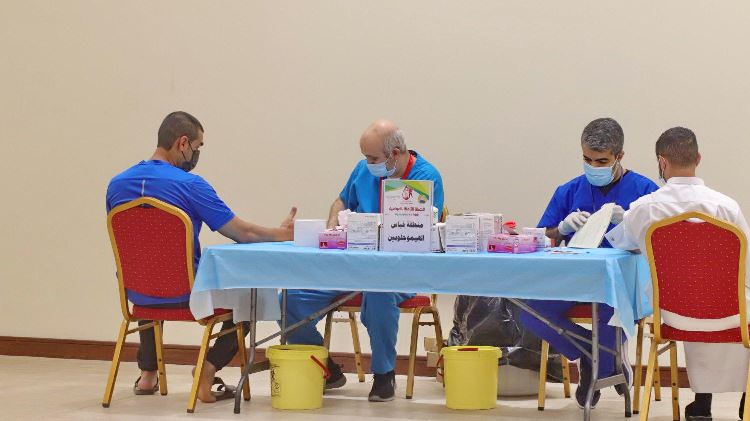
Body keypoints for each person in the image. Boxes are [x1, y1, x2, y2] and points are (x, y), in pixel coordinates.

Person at [106, 111, 296, 403]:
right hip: (188, 293)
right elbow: (242, 233)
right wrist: (283, 234)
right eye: (198, 147)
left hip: (137, 293)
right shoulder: (190, 185)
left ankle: (147, 375)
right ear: (183, 143)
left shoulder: (116, 185)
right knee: (253, 296)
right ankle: (207, 370)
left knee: (149, 273)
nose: (197, 154)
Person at [283, 119, 444, 402]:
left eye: (373, 158)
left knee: (379, 293)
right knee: (289, 299)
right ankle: (325, 368)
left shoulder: (424, 177)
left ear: (395, 154)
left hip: (399, 271)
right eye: (365, 157)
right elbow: (341, 202)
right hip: (351, 267)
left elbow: (422, 230)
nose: (368, 164)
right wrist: (332, 226)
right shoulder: (363, 170)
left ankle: (384, 374)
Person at [606, 126, 750, 421]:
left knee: (691, 298)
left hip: (671, 314)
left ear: (662, 162)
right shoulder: (726, 207)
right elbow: (745, 264)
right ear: (698, 158)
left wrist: (626, 220)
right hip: (730, 314)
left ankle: (702, 405)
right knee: (733, 302)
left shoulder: (644, 208)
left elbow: (621, 243)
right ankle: (745, 396)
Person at [519, 117, 659, 408]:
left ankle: (595, 370)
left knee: (608, 311)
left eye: (602, 161)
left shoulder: (645, 191)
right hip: (573, 279)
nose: (593, 166)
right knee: (530, 310)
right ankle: (596, 356)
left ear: (619, 156)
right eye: (587, 159)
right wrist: (562, 228)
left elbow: (659, 243)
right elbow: (542, 235)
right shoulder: (569, 190)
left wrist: (631, 222)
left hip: (619, 285)